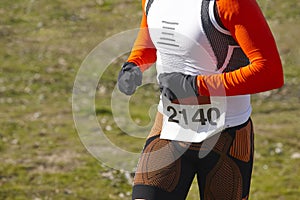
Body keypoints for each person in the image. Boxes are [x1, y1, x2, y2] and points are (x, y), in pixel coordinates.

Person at [117, 0, 284, 199]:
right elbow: (151, 38)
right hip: (170, 127)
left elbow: (269, 72)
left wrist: (196, 86)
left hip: (226, 134)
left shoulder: (231, 3)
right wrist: (134, 65)